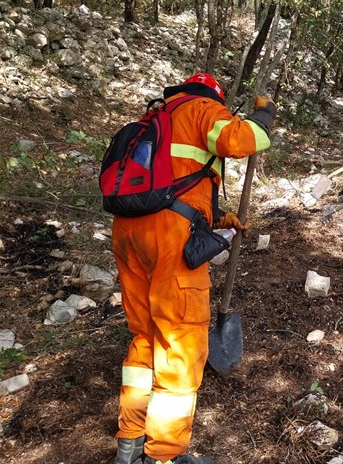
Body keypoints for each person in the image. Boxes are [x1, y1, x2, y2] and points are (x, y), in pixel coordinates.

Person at [113, 73, 276, 464]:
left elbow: (171, 187)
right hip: (168, 240)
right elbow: (242, 140)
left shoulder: (152, 120)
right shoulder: (202, 108)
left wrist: (219, 218)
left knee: (145, 336)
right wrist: (264, 116)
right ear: (213, 96)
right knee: (181, 343)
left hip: (128, 232)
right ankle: (165, 456)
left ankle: (129, 442)